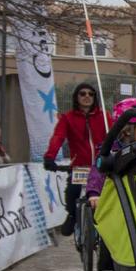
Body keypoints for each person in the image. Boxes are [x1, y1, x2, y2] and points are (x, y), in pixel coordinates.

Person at [45, 81, 109, 236]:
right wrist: (50, 157)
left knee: (106, 194)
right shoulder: (68, 118)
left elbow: (113, 135)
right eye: (83, 93)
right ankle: (72, 215)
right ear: (76, 97)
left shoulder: (104, 116)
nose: (87, 96)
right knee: (73, 190)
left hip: (101, 164)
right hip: (80, 165)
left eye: (91, 94)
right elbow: (58, 137)